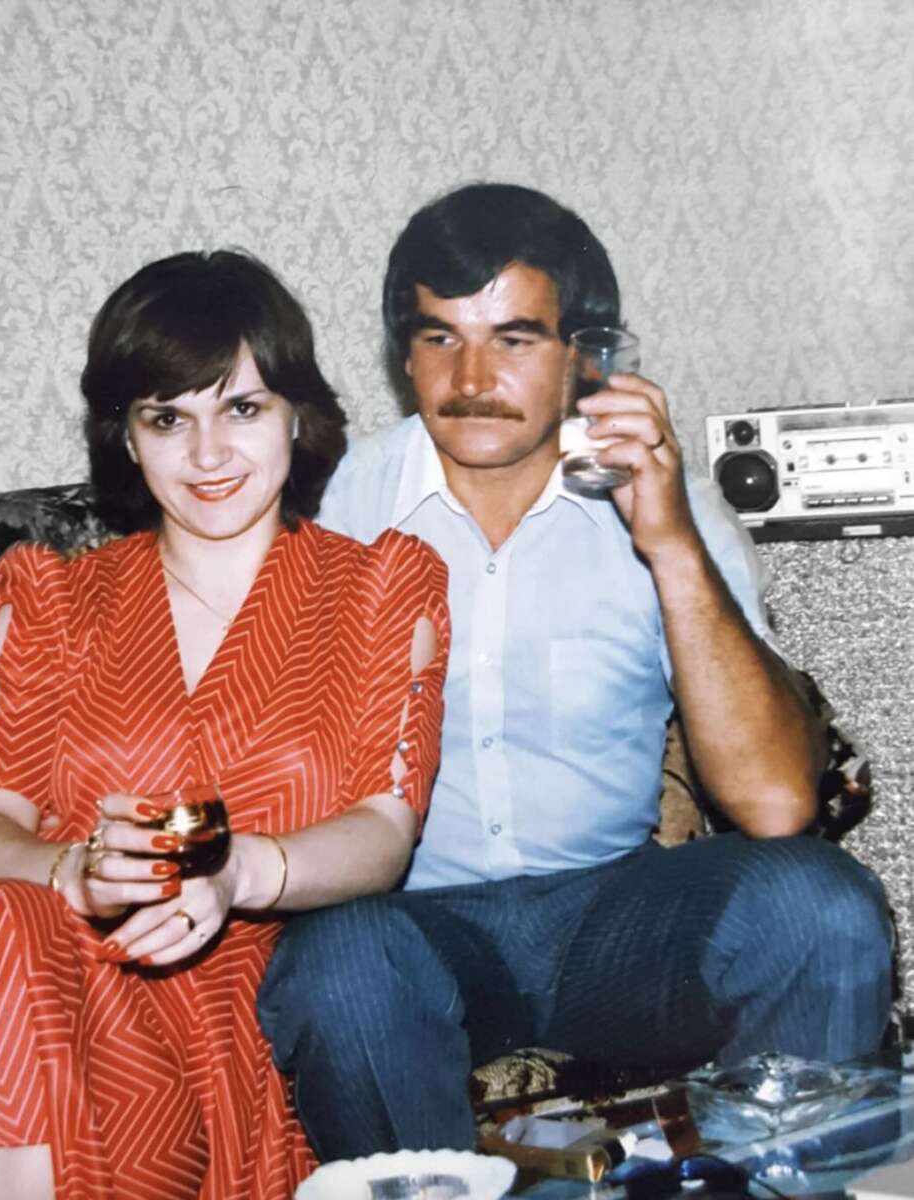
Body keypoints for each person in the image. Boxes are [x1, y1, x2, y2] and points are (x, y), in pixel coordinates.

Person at [0, 250, 450, 1200]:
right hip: (27, 972)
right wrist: (72, 873)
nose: (207, 456)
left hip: (215, 1008)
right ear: (125, 437)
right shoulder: (47, 597)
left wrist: (242, 868)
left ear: (298, 413)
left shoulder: (381, 589)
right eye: (168, 418)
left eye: (241, 409)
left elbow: (383, 829)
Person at [258, 183, 894, 1161]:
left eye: (513, 339)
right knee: (341, 969)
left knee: (817, 906)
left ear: (584, 355)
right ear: (404, 356)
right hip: (422, 938)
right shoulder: (344, 506)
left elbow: (774, 805)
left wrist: (670, 542)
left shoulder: (658, 498)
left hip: (620, 923)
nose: (469, 377)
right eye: (437, 338)